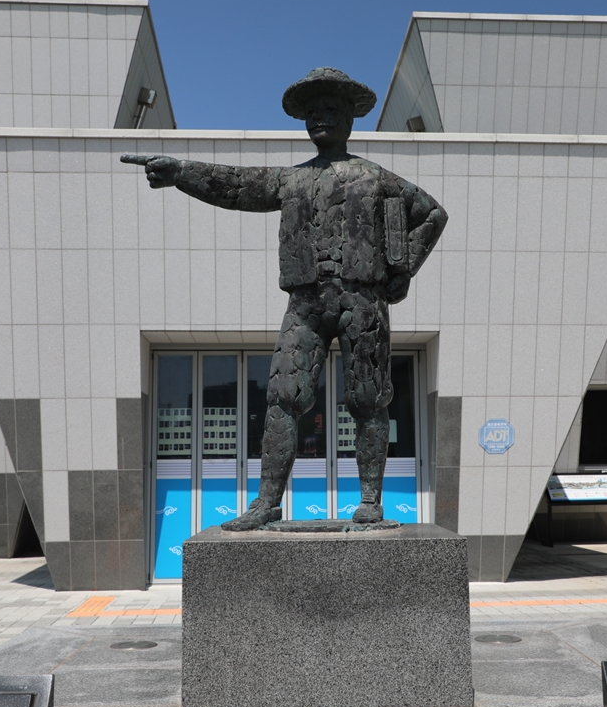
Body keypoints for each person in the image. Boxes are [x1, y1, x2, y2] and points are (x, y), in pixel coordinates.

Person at [123, 68, 447, 530]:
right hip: (306, 302)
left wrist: (404, 268)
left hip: (362, 300)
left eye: (330, 109)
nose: (320, 118)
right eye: (312, 112)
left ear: (350, 118)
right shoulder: (291, 180)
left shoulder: (376, 178)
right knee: (282, 397)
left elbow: (432, 213)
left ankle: (370, 501)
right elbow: (236, 185)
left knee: (369, 398)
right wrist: (181, 173)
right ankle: (267, 501)